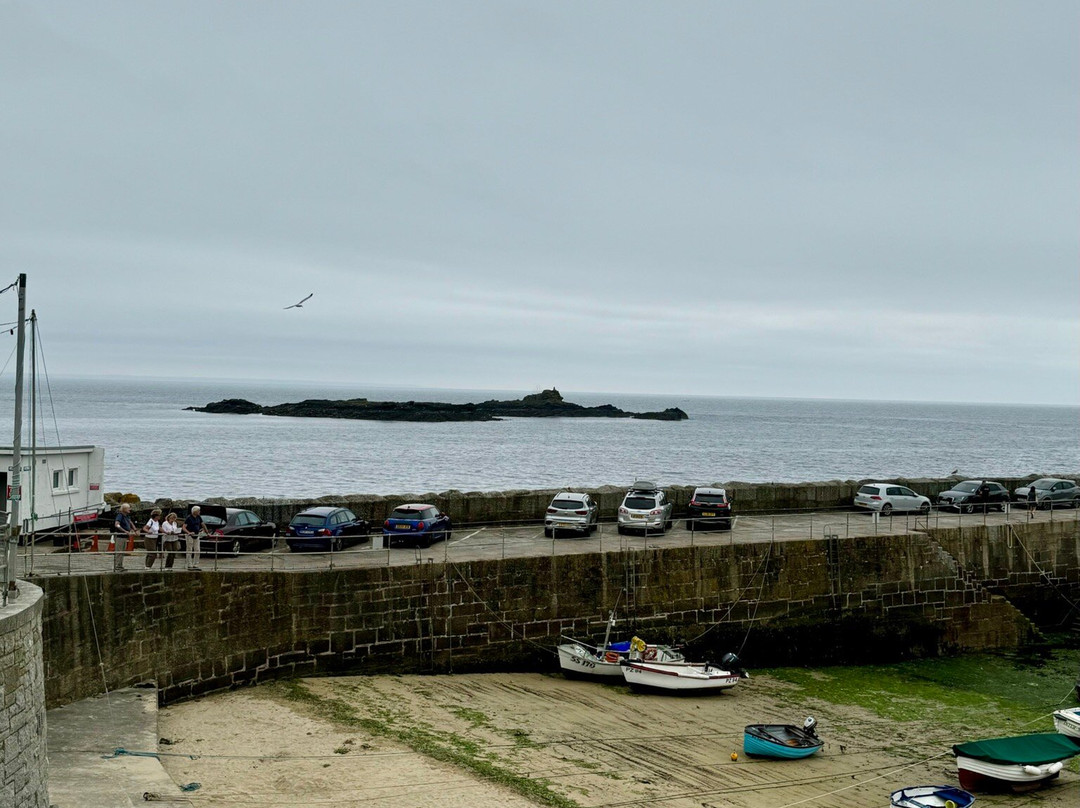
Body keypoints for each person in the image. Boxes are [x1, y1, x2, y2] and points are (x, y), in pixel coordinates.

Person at [112, 503, 138, 572]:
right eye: (128, 508)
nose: (130, 509)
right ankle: (117, 566)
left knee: (122, 551)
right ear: (124, 509)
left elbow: (130, 523)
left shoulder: (127, 516)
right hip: (120, 536)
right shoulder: (120, 516)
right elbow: (117, 524)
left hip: (124, 536)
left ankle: (120, 566)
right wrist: (125, 531)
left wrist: (134, 530)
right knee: (119, 552)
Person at [183, 505, 207, 570]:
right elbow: (184, 527)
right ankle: (189, 564)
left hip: (197, 535)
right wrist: (189, 532)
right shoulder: (189, 518)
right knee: (189, 549)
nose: (199, 512)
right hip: (190, 535)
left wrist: (207, 532)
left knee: (197, 550)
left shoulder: (199, 517)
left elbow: (203, 524)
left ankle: (196, 564)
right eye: (198, 511)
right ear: (195, 511)